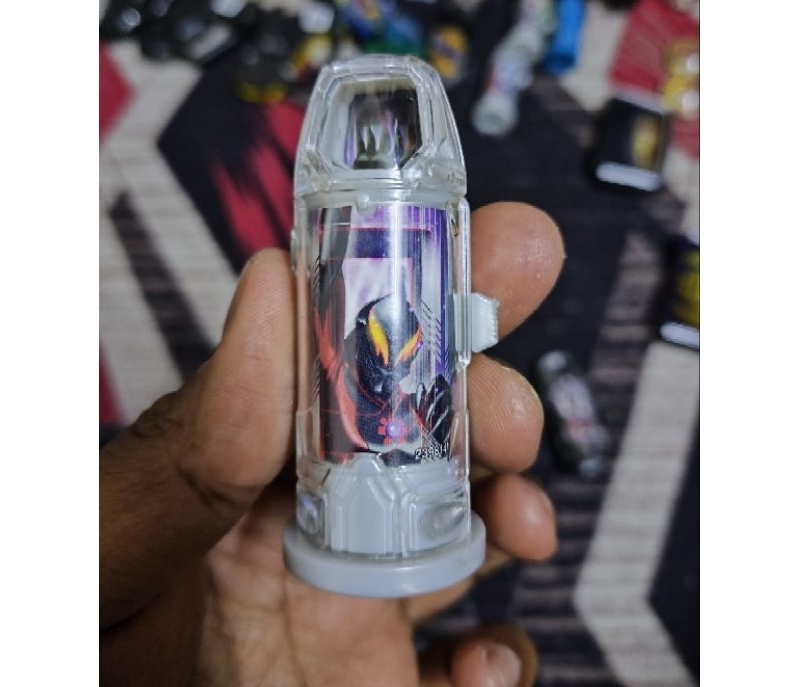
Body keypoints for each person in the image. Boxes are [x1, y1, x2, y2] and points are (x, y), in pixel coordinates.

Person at [100, 201, 565, 687]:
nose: (394, 375)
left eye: (405, 362)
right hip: (315, 518)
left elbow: (415, 420)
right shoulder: (335, 371)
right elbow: (331, 296)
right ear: (363, 342)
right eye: (385, 360)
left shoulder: (410, 398)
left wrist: (428, 434)